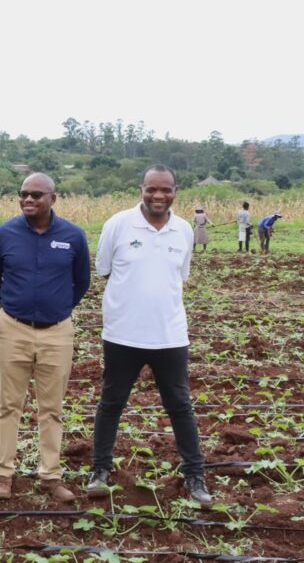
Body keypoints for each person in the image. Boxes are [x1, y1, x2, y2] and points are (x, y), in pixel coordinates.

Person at [88, 164, 212, 508]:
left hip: (170, 335)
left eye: (166, 190)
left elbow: (179, 276)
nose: (158, 196)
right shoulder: (118, 224)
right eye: (151, 189)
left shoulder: (184, 230)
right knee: (111, 403)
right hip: (122, 334)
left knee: (180, 406)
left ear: (176, 191)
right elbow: (104, 270)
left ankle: (195, 476)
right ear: (141, 189)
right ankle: (100, 470)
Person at [0, 173, 90, 503]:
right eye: (23, 194)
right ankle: (3, 474)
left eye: (36, 195)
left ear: (53, 199)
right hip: (12, 329)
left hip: (57, 332)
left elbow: (81, 281)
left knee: (52, 408)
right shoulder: (4, 234)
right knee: (8, 405)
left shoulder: (73, 236)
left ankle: (50, 476)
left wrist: (56, 308)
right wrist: (14, 307)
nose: (28, 200)